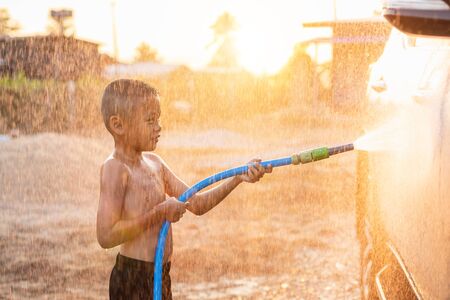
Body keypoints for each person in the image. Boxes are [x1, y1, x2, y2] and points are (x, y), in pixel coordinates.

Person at [96, 79, 272, 299]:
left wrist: (238, 178)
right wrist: (159, 213)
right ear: (118, 125)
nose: (158, 127)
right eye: (150, 120)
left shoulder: (155, 163)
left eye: (158, 119)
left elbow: (197, 204)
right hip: (133, 277)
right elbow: (105, 235)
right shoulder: (116, 169)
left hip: (160, 274)